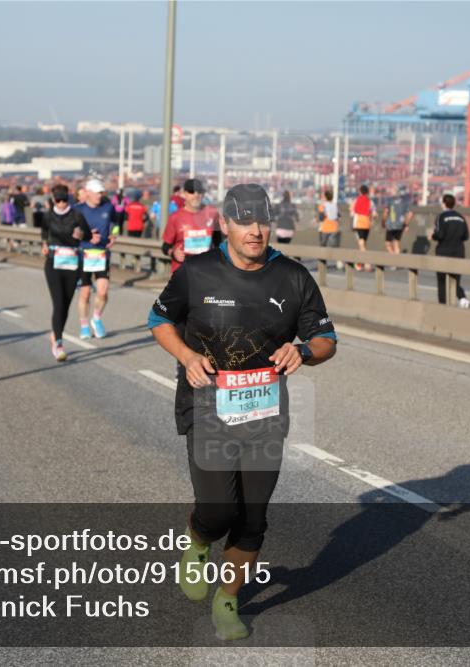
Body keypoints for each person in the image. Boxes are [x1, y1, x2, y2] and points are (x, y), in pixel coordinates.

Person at [148, 183, 337, 641]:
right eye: (245, 221)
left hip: (265, 412)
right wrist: (188, 357)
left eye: (263, 221)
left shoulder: (293, 277)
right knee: (218, 511)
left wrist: (304, 353)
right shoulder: (196, 272)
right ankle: (198, 538)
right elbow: (159, 320)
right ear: (225, 225)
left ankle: (227, 600)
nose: (256, 231)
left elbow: (327, 340)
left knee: (252, 517)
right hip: (207, 405)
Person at [41, 184, 92, 361]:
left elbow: (88, 236)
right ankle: (59, 343)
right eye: (58, 200)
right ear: (53, 200)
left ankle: (56, 334)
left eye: (65, 200)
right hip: (53, 265)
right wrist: (44, 245)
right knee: (58, 303)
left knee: (66, 305)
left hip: (72, 265)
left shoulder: (77, 215)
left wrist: (81, 235)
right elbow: (44, 233)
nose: (62, 204)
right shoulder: (48, 216)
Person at [74, 179, 116, 339]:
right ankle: (84, 325)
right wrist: (87, 236)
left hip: (101, 254)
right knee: (85, 293)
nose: (100, 195)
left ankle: (96, 318)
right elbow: (72, 232)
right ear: (88, 192)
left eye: (101, 192)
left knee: (103, 292)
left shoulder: (108, 207)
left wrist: (114, 234)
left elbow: (116, 222)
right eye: (97, 192)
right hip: (83, 254)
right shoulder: (78, 210)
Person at [161, 179, 221, 274]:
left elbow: (219, 242)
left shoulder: (212, 213)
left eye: (199, 192)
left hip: (206, 272)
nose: (196, 195)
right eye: (191, 192)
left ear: (203, 194)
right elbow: (165, 247)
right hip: (183, 272)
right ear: (184, 194)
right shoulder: (175, 217)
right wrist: (173, 253)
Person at [431, 194, 470, 308]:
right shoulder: (461, 217)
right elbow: (466, 236)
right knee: (455, 279)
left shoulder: (441, 217)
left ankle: (443, 306)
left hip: (444, 251)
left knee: (442, 281)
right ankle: (462, 298)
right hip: (459, 251)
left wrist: (433, 235)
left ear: (443, 203)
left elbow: (440, 235)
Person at [316, 189, 342, 270]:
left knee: (323, 246)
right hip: (334, 228)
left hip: (324, 228)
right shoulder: (335, 205)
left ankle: (323, 263)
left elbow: (321, 218)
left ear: (325, 197)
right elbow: (339, 216)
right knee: (335, 247)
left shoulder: (322, 206)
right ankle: (339, 262)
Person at [350, 184, 374, 270]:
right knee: (363, 245)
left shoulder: (356, 200)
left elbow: (351, 211)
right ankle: (359, 264)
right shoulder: (370, 201)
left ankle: (367, 263)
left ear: (360, 192)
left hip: (358, 224)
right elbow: (374, 214)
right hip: (367, 225)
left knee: (361, 245)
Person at [384, 187, 412, 258]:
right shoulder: (404, 202)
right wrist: (406, 224)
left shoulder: (390, 200)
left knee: (388, 244)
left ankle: (393, 259)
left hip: (391, 225)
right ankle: (398, 261)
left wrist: (383, 221)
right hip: (400, 225)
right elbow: (410, 214)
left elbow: (386, 211)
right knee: (396, 243)